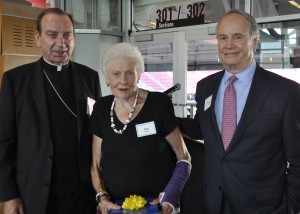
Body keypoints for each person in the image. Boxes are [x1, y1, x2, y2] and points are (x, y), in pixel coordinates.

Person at [177, 9, 300, 214]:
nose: (229, 45)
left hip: (264, 207)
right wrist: (159, 115)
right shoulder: (205, 87)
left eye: (237, 37)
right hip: (213, 204)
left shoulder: (286, 92)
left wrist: (291, 207)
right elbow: (202, 128)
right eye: (223, 37)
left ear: (254, 41)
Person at [0, 8, 101, 214]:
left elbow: (98, 135)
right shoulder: (15, 81)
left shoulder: (89, 77)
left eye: (67, 35)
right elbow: (3, 143)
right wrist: (8, 195)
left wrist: (101, 191)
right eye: (52, 34)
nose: (61, 42)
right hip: (35, 194)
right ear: (38, 38)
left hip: (82, 193)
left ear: (74, 38)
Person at [89, 43, 191, 214]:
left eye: (130, 73)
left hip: (157, 206)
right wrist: (102, 197)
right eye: (116, 74)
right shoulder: (101, 108)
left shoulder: (159, 104)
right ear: (107, 78)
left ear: (139, 76)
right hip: (115, 208)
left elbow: (184, 157)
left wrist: (171, 195)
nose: (123, 80)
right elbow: (95, 165)